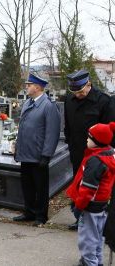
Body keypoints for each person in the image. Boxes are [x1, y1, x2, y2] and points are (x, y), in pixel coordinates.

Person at [65, 70, 115, 230]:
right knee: (79, 183)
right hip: (77, 151)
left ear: (88, 84)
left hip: (98, 157)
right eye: (75, 92)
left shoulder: (104, 102)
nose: (78, 95)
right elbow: (68, 126)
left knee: (96, 188)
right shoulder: (69, 100)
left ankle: (99, 220)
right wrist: (70, 142)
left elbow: (109, 132)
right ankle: (78, 216)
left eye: (80, 91)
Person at [13, 73, 61, 226]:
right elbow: (22, 129)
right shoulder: (28, 103)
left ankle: (41, 216)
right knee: (27, 186)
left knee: (40, 188)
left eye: (29, 84)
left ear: (38, 87)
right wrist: (17, 149)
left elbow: (52, 133)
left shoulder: (48, 106)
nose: (26, 87)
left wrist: (46, 155)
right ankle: (29, 212)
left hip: (38, 155)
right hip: (25, 153)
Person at [66, 122, 115, 266]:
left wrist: (79, 207)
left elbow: (88, 188)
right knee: (98, 236)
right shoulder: (109, 154)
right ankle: (96, 260)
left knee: (87, 238)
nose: (86, 140)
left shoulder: (95, 161)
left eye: (89, 138)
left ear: (98, 141)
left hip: (90, 206)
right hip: (103, 203)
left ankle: (89, 262)